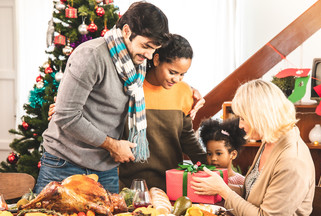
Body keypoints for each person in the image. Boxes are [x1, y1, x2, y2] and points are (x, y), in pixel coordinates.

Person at [34, 1, 169, 194]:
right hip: (64, 165)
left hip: (105, 169)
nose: (149, 55)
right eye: (146, 46)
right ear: (126, 31)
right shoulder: (91, 55)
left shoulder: (136, 62)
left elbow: (169, 67)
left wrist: (191, 92)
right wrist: (112, 145)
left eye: (154, 49)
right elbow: (66, 115)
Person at [191, 80, 315, 216]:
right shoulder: (270, 141)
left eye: (243, 118)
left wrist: (224, 191)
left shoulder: (292, 161)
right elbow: (253, 193)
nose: (240, 125)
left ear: (260, 116)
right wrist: (218, 186)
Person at [119, 34, 207, 191]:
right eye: (172, 72)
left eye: (182, 74)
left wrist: (210, 165)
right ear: (156, 59)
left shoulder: (184, 91)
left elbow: (186, 137)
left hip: (171, 187)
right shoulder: (131, 88)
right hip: (129, 187)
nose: (177, 79)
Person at [199, 117, 246, 185]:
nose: (213, 158)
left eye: (218, 153)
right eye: (209, 154)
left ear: (233, 155)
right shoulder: (205, 179)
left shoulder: (241, 182)